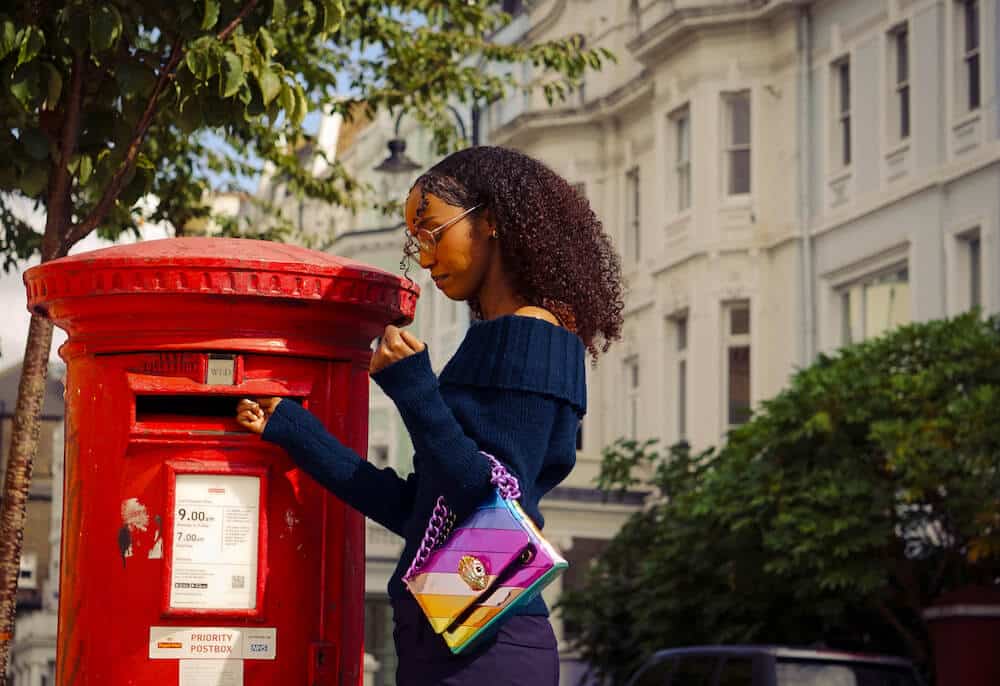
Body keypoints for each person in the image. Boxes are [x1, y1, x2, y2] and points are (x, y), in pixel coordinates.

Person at [236, 146, 624, 685]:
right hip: (450, 633)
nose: (423, 257)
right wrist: (296, 432)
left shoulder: (533, 336)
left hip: (484, 646)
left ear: (490, 222)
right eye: (414, 241)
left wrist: (414, 388)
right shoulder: (504, 336)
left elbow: (484, 495)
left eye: (434, 233)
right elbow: (422, 510)